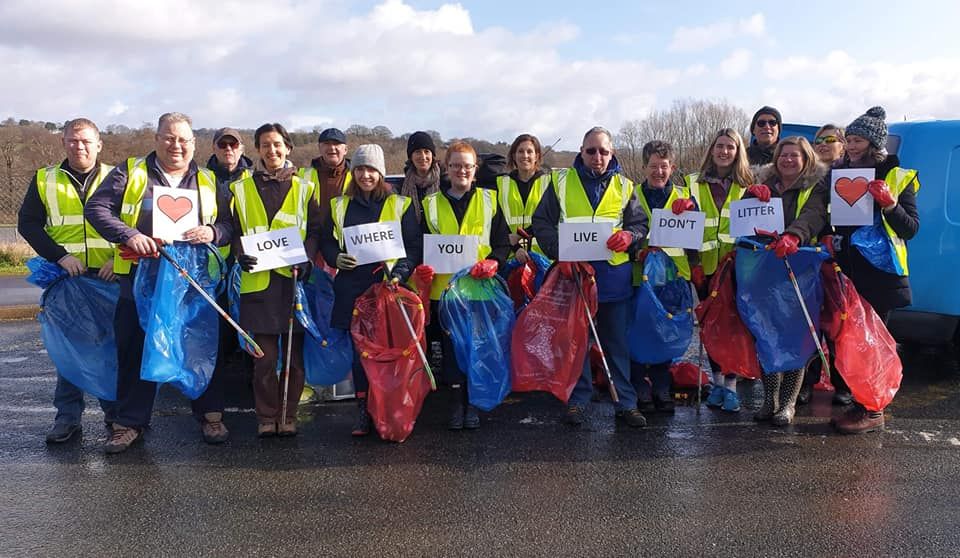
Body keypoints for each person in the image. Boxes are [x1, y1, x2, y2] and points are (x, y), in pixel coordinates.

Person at [85, 112, 234, 453]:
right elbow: (97, 208)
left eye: (183, 140)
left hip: (193, 282)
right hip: (139, 277)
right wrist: (131, 234)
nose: (176, 146)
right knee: (134, 346)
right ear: (156, 139)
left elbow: (229, 225)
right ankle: (128, 423)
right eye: (169, 138)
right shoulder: (131, 172)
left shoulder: (209, 180)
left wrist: (213, 232)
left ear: (194, 144)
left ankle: (211, 415)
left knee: (200, 343)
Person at [530, 127, 649, 428]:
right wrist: (561, 253)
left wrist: (629, 236)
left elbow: (639, 224)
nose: (598, 157)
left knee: (616, 343)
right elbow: (541, 222)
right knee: (576, 342)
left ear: (612, 153)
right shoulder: (560, 183)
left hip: (612, 278)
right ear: (581, 152)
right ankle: (577, 400)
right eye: (591, 151)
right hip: (575, 276)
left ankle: (625, 402)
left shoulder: (625, 186)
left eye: (603, 151)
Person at [17, 118, 117, 443]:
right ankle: (68, 418)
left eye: (86, 141)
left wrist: (121, 257)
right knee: (68, 351)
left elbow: (138, 224)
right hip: (67, 279)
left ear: (99, 144)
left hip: (110, 279)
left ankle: (117, 418)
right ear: (63, 143)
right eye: (73, 141)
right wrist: (59, 256)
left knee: (111, 349)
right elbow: (28, 224)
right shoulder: (45, 179)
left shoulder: (119, 177)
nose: (80, 146)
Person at [320, 144, 422, 436]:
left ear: (380, 173)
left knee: (388, 354)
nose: (366, 175)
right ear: (354, 173)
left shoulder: (399, 204)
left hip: (387, 291)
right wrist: (334, 257)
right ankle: (363, 410)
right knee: (359, 356)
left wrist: (400, 274)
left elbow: (413, 247)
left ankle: (388, 408)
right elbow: (327, 240)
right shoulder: (339, 205)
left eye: (372, 170)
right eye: (361, 169)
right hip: (352, 289)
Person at [831, 106, 920, 434]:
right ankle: (860, 404)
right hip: (848, 273)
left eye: (858, 140)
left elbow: (911, 228)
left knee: (875, 344)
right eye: (849, 139)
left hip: (881, 276)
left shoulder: (897, 175)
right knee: (853, 342)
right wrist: (829, 234)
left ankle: (873, 409)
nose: (851, 146)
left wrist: (890, 204)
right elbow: (834, 220)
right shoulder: (839, 173)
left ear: (873, 143)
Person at [231, 123, 322, 438]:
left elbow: (314, 230)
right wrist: (239, 253)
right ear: (257, 150)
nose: (272, 151)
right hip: (258, 285)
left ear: (288, 148)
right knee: (264, 360)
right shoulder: (241, 189)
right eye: (266, 145)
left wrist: (308, 258)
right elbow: (234, 229)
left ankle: (289, 413)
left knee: (294, 360)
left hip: (291, 284)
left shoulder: (305, 187)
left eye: (278, 145)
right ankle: (266, 414)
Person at [416, 141, 512, 430]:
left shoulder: (489, 201)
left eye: (467, 166)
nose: (462, 171)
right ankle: (456, 404)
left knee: (477, 348)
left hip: (480, 291)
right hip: (445, 293)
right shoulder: (430, 204)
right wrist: (422, 270)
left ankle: (473, 404)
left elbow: (501, 243)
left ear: (475, 169)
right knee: (450, 349)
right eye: (456, 165)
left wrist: (495, 261)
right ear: (447, 168)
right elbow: (421, 246)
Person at [746, 136, 830, 425]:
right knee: (766, 335)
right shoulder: (764, 185)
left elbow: (814, 215)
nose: (788, 160)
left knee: (797, 336)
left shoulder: (816, 187)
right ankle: (768, 399)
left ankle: (788, 403)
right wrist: (749, 197)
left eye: (795, 155)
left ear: (806, 159)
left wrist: (794, 234)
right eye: (784, 155)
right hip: (765, 272)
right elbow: (744, 222)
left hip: (799, 271)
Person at [686, 128, 754, 412]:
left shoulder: (748, 184)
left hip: (736, 267)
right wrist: (693, 264)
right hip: (705, 267)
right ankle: (715, 383)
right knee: (710, 327)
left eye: (730, 147)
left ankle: (731, 387)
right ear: (711, 150)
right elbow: (686, 228)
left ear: (738, 152)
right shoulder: (692, 183)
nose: (724, 152)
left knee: (734, 328)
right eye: (720, 146)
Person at [630, 140, 695, 414]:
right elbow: (622, 229)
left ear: (673, 168)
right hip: (638, 278)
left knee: (664, 334)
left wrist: (691, 209)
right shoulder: (630, 194)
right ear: (644, 167)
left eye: (664, 166)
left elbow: (695, 238)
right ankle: (639, 388)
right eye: (653, 166)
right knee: (636, 333)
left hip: (672, 279)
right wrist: (637, 250)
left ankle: (661, 386)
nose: (659, 172)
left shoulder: (685, 195)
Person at [496, 134, 552, 263]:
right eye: (520, 151)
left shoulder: (549, 183)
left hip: (542, 258)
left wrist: (522, 235)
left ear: (537, 156)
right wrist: (515, 247)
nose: (525, 156)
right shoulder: (500, 183)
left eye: (529, 151)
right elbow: (497, 223)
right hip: (509, 257)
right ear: (514, 155)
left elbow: (551, 220)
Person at [399, 131, 443, 223]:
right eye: (418, 152)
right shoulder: (401, 186)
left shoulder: (445, 182)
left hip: (438, 236)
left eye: (426, 151)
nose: (423, 157)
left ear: (432, 155)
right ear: (411, 156)